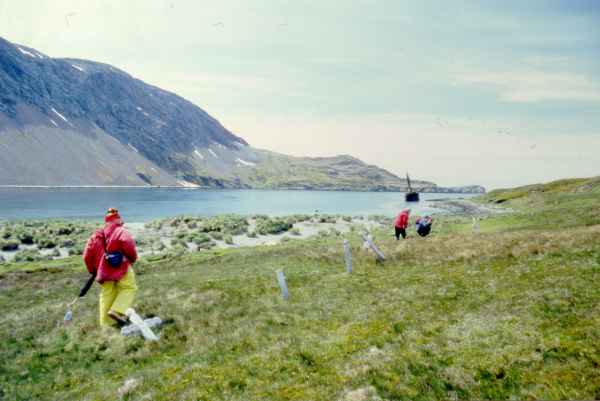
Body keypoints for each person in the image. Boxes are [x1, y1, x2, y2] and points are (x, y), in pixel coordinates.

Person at [83, 208, 138, 327]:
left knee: (107, 294)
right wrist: (132, 259)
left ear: (106, 221)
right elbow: (129, 245)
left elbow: (86, 255)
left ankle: (107, 325)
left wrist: (92, 269)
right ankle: (117, 310)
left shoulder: (96, 235)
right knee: (129, 288)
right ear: (118, 219)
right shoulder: (121, 231)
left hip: (103, 271)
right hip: (121, 267)